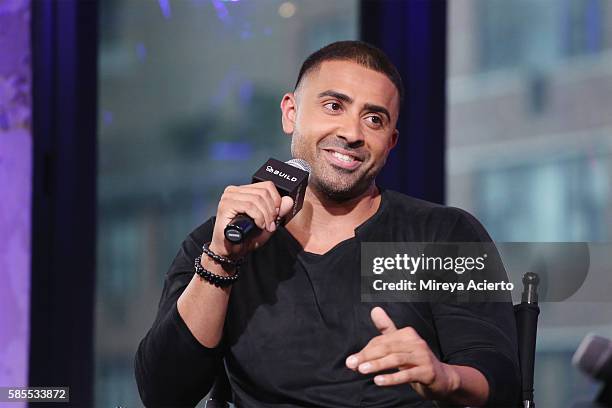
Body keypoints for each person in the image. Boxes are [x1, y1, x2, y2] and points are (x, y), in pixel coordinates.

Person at [135, 41, 520, 408]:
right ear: (290, 113)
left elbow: (500, 378)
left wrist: (445, 377)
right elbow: (164, 393)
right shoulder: (220, 239)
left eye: (374, 119)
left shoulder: (444, 234)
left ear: (391, 141)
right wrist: (221, 260)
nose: (352, 134)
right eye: (334, 106)